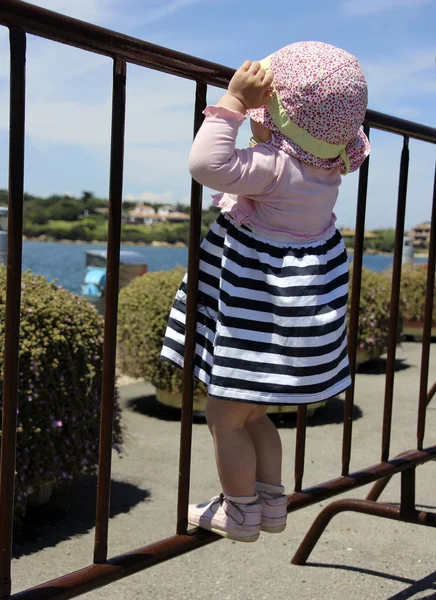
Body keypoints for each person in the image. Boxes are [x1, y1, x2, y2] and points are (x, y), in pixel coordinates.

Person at [161, 41, 370, 542]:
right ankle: (269, 505)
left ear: (280, 123)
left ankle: (237, 512)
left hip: (251, 327)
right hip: (281, 328)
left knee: (223, 417)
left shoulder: (272, 169)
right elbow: (287, 141)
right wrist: (266, 122)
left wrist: (232, 104)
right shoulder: (325, 171)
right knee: (255, 416)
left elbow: (206, 165)